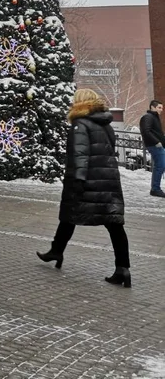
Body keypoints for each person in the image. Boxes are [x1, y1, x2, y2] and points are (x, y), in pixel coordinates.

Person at [36, 88, 131, 287]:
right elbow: (110, 151)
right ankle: (123, 269)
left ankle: (56, 251)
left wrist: (77, 180)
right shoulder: (106, 125)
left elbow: (80, 155)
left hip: (86, 180)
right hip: (108, 180)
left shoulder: (80, 124)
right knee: (114, 224)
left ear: (79, 102)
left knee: (70, 213)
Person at [138, 100, 165, 198]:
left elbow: (157, 133)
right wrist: (156, 142)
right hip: (154, 146)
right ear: (152, 107)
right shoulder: (148, 117)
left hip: (158, 145)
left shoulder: (154, 117)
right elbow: (146, 131)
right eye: (159, 107)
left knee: (160, 166)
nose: (161, 110)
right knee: (160, 166)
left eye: (162, 108)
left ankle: (155, 188)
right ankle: (155, 189)